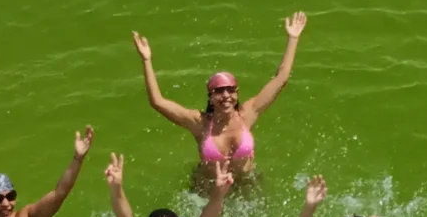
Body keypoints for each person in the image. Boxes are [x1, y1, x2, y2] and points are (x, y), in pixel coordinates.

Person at [131, 11, 306, 174]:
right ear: (211, 97)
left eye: (231, 90)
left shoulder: (248, 114)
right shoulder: (199, 124)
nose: (226, 96)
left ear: (237, 94)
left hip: (246, 186)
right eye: (219, 91)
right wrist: (146, 60)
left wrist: (293, 38)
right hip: (209, 191)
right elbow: (157, 102)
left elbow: (281, 78)